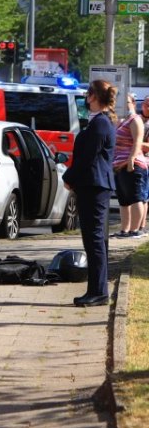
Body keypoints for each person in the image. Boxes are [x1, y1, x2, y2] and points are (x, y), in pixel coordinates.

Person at [63, 80, 118, 307]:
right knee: (94, 239)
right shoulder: (99, 122)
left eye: (88, 93)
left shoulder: (100, 124)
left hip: (94, 186)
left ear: (93, 96)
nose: (86, 97)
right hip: (92, 185)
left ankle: (98, 291)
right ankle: (96, 289)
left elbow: (88, 158)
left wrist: (69, 178)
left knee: (94, 240)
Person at [113, 92, 147, 238]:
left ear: (133, 103)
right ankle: (124, 229)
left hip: (132, 164)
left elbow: (138, 141)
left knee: (135, 197)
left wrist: (131, 160)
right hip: (118, 165)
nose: (122, 105)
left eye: (127, 102)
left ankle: (135, 230)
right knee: (123, 200)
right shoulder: (121, 120)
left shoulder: (135, 119)